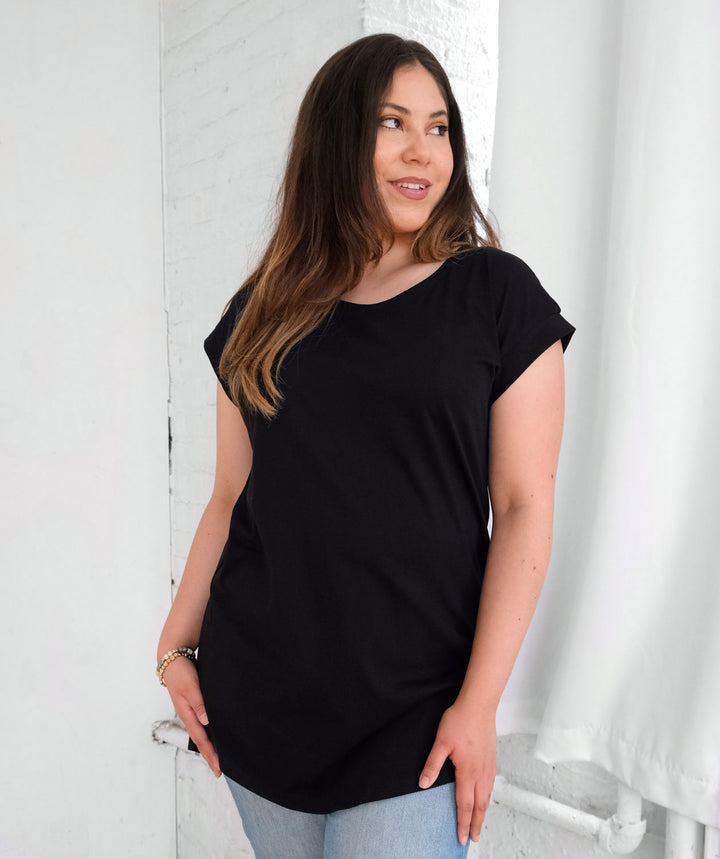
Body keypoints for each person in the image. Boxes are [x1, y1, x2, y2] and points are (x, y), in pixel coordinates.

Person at [156, 32, 574, 859]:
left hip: (417, 720)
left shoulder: (496, 296)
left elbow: (525, 504)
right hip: (262, 700)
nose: (423, 151)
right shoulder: (262, 311)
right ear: (337, 139)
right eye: (392, 123)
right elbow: (231, 496)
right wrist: (173, 645)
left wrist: (479, 705)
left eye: (439, 127)